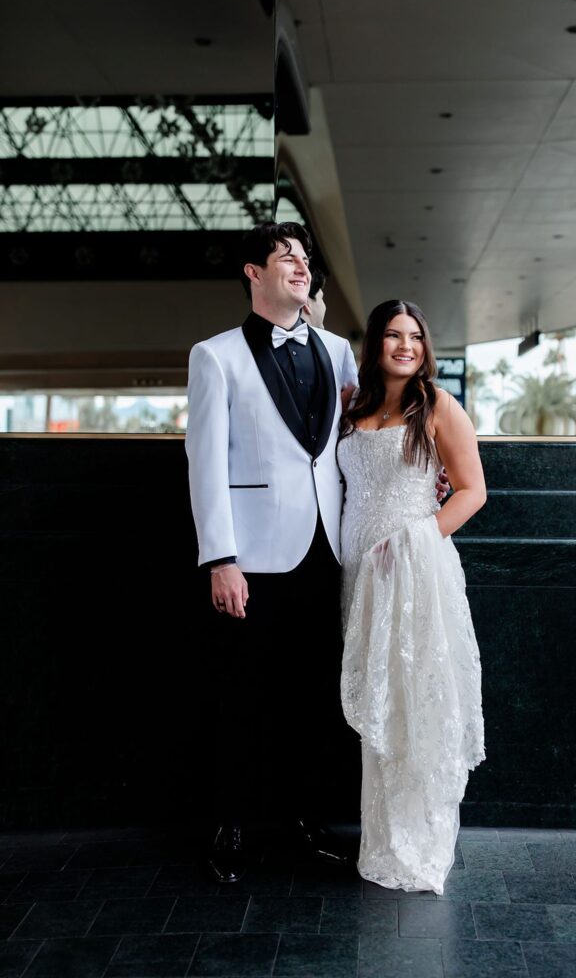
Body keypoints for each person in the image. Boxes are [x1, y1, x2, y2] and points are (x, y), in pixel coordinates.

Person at [185, 221, 358, 883]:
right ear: (252, 273)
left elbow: (350, 445)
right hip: (252, 557)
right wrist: (219, 558)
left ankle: (309, 822)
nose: (299, 265)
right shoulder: (216, 355)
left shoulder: (339, 350)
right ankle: (231, 826)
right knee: (241, 697)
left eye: (305, 257)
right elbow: (204, 463)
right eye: (284, 256)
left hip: (328, 548)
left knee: (315, 696)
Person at [337, 299, 486, 894]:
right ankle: (380, 833)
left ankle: (417, 840)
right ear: (375, 344)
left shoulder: (439, 406)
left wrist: (414, 541)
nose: (406, 346)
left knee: (412, 699)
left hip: (414, 572)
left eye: (416, 337)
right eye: (394, 336)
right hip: (356, 573)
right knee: (378, 697)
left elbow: (472, 491)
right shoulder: (353, 406)